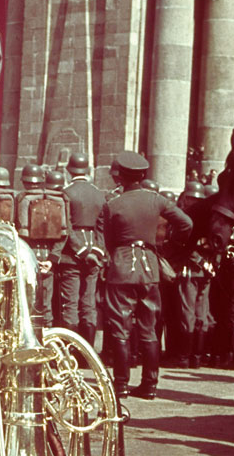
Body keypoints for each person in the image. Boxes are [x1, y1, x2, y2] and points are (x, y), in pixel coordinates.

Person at [101, 152, 192, 399]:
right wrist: (168, 246)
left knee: (120, 329)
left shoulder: (112, 204)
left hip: (121, 267)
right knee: (149, 329)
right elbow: (186, 224)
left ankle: (120, 385)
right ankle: (150, 385)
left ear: (121, 175)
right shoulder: (157, 200)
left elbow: (108, 240)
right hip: (149, 268)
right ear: (142, 175)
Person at [57, 151, 106, 347]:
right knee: (88, 305)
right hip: (94, 252)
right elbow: (102, 227)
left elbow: (66, 227)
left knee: (70, 305)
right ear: (87, 170)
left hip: (72, 255)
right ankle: (89, 353)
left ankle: (71, 353)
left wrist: (81, 251)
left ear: (69, 171)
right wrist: (96, 251)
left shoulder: (66, 193)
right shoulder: (98, 193)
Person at [15, 162, 69, 327]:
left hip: (26, 256)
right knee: (45, 305)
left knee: (23, 302)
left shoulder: (21, 199)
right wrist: (51, 259)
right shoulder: (57, 200)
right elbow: (63, 233)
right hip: (47, 259)